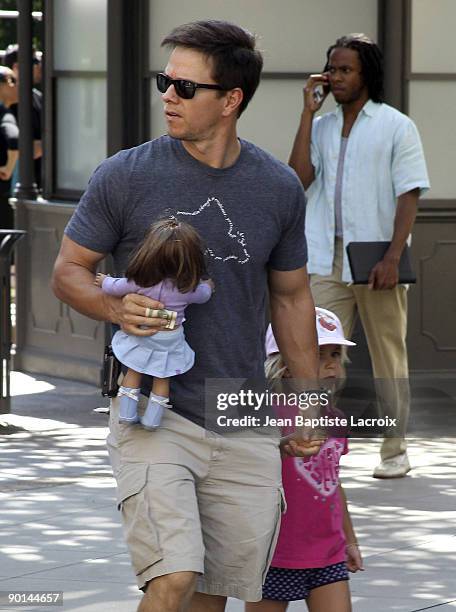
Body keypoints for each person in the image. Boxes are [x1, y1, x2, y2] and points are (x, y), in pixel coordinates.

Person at [52, 20, 322, 612]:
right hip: (152, 411)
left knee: (212, 593)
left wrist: (306, 402)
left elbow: (292, 298)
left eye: (184, 87)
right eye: (163, 81)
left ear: (231, 101)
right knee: (172, 577)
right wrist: (113, 305)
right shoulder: (125, 174)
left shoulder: (278, 187)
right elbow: (68, 270)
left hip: (241, 413)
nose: (167, 96)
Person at [289, 33, 430, 479]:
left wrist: (392, 256)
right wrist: (308, 113)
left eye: (345, 69)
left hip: (375, 262)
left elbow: (409, 194)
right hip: (324, 260)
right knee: (314, 353)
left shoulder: (396, 125)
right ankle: (313, 440)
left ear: (366, 74)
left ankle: (394, 451)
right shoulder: (324, 127)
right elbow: (298, 177)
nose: (335, 76)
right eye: (331, 69)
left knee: (389, 355)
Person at [246, 308, 363, 612]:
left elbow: (332, 483)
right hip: (275, 553)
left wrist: (349, 540)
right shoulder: (265, 413)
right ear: (284, 365)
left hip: (329, 553)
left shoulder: (334, 419)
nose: (330, 364)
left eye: (335, 354)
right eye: (318, 354)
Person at [95, 218, 214, 429]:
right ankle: (152, 420)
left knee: (133, 371)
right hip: (171, 337)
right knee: (162, 378)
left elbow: (114, 287)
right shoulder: (188, 288)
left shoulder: (140, 282)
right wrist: (208, 285)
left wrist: (103, 280)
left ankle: (127, 413)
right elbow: (204, 295)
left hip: (143, 333)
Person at [4, 44, 42, 189]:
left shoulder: (38, 97)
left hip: (39, 181)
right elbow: (24, 149)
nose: (39, 66)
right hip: (15, 184)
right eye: (35, 62)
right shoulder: (8, 102)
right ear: (16, 67)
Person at [0, 67, 19, 229]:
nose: (16, 86)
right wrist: (8, 168)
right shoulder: (4, 114)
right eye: (11, 81)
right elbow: (14, 138)